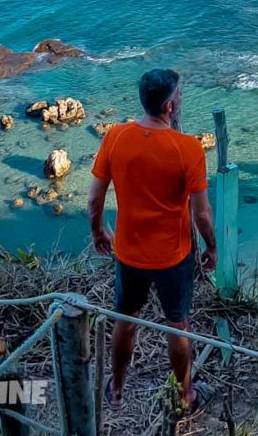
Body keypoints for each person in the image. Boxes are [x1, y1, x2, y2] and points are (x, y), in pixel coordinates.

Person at [88, 69, 217, 414]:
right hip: (173, 258)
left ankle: (116, 390)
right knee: (178, 326)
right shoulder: (188, 148)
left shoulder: (115, 136)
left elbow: (94, 199)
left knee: (125, 321)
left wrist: (98, 230)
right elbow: (202, 214)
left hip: (128, 254)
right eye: (180, 96)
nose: (182, 100)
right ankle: (184, 396)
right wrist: (213, 247)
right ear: (170, 106)